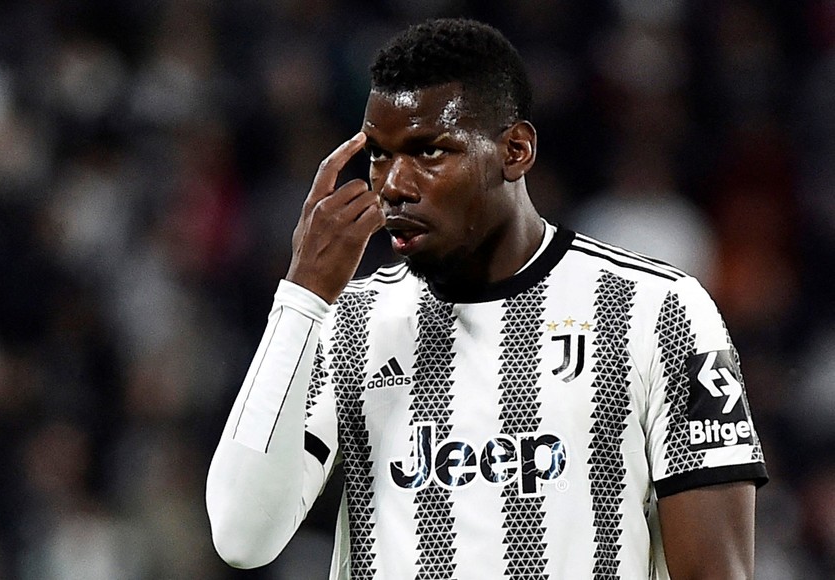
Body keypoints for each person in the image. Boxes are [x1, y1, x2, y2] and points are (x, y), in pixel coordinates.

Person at [206, 17, 768, 579]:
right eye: (379, 154)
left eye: (429, 152)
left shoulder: (658, 310)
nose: (394, 184)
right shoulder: (350, 321)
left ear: (515, 150)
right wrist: (301, 298)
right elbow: (240, 535)